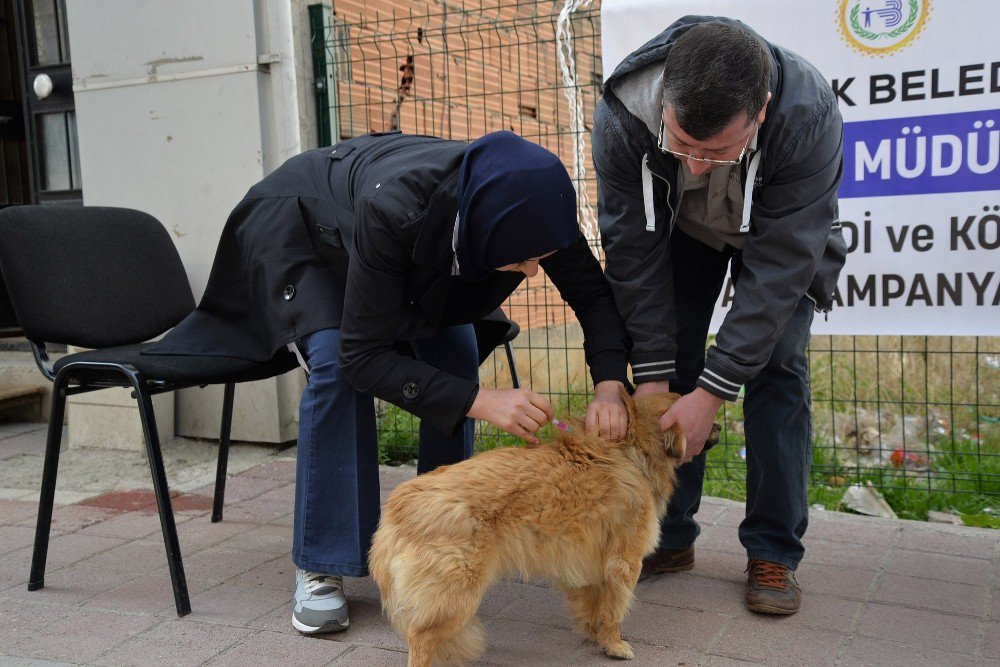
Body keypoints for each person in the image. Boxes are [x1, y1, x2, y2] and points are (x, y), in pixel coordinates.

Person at [147, 130, 630, 633]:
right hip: (309, 235)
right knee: (336, 365)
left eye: (540, 259)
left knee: (456, 351)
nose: (532, 273)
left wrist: (610, 385)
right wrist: (478, 400)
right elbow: (364, 356)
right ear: (485, 232)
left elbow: (594, 298)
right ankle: (323, 565)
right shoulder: (398, 210)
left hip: (396, 244)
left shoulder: (530, 211)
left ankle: (443, 533)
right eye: (520, 261)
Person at [591, 17, 846, 615]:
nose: (698, 167)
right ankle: (669, 537)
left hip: (773, 230)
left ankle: (774, 551)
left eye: (716, 151)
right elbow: (633, 246)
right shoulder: (627, 112)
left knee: (778, 367)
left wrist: (712, 395)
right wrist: (654, 384)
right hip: (684, 231)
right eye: (682, 146)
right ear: (665, 102)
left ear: (759, 112)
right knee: (668, 358)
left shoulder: (806, 117)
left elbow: (781, 266)